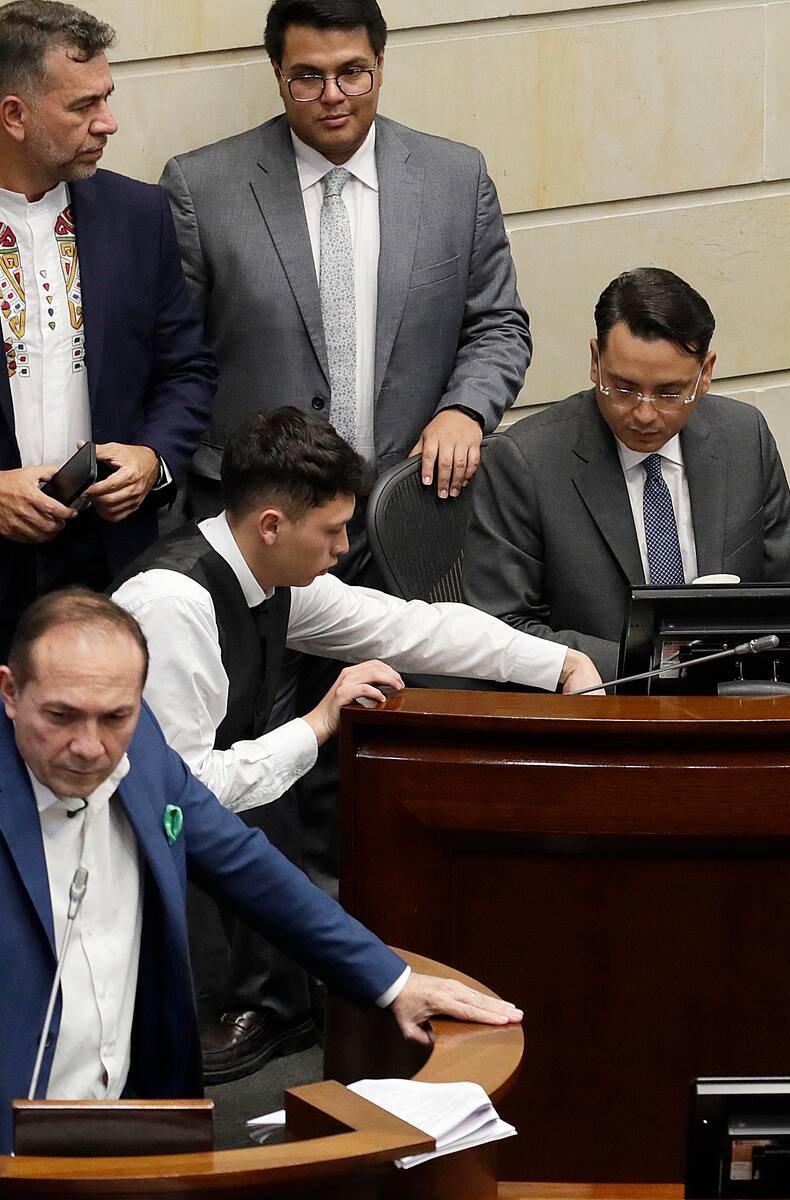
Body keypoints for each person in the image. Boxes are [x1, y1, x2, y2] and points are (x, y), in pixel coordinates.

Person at [110, 406, 598, 1081]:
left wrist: (558, 663)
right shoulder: (172, 602)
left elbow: (408, 628)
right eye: (334, 530)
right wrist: (318, 723)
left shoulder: (274, 576)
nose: (344, 550)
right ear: (272, 526)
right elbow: (186, 796)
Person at [0, 588, 522, 1154]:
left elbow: (246, 865)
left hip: (134, 1122)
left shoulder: (142, 746)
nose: (90, 746)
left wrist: (392, 980)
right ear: (10, 692)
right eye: (60, 716)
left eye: (115, 717)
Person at [159, 0, 530, 527]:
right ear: (277, 73)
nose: (333, 96)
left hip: (410, 506)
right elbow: (173, 360)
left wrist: (466, 409)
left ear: (381, 61)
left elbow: (498, 325)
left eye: (352, 73)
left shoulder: (456, 179)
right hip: (259, 519)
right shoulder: (201, 189)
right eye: (308, 77)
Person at [462, 267, 790, 683]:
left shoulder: (743, 438)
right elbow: (503, 631)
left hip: (734, 705)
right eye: (624, 389)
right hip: (601, 713)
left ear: (706, 374)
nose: (645, 414)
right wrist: (661, 668)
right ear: (595, 362)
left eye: (669, 393)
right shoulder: (525, 462)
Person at [0, 1, 215, 658]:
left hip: (114, 556)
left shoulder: (139, 212)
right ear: (14, 115)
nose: (108, 123)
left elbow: (188, 369)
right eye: (82, 106)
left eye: (108, 98)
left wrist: (154, 459)